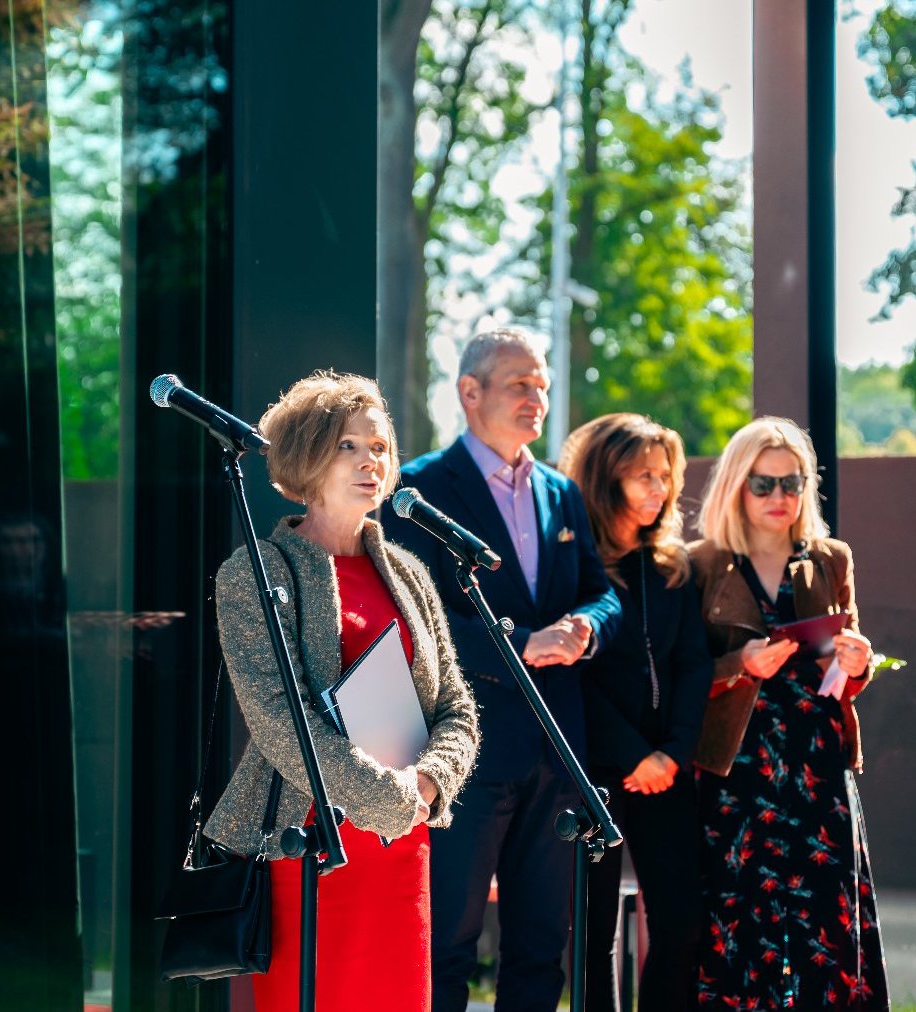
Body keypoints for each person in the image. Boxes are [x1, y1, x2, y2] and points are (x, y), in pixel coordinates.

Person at [206, 370, 479, 1012]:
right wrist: (382, 796)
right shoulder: (254, 571)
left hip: (402, 840)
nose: (370, 462)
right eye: (347, 446)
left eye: (380, 447)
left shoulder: (409, 574)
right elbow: (278, 718)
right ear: (305, 456)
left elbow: (457, 706)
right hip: (312, 842)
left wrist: (430, 782)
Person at [382, 328, 621, 1012]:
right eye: (522, 383)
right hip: (468, 753)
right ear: (470, 392)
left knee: (541, 948)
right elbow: (413, 621)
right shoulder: (419, 491)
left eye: (542, 385)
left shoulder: (560, 492)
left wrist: (586, 628)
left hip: (558, 750)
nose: (537, 399)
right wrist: (517, 644)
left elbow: (602, 593)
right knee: (446, 948)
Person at [688, 416, 889, 1011]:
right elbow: (679, 675)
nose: (780, 497)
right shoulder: (699, 564)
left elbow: (843, 671)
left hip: (816, 764)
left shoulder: (830, 559)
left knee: (825, 922)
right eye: (764, 484)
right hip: (737, 767)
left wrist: (857, 663)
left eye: (792, 483)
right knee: (737, 918)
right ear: (735, 485)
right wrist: (740, 663)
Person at [557, 414, 712, 1012]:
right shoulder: (571, 568)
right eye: (642, 475)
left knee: (681, 924)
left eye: (665, 475)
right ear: (602, 479)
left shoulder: (673, 567)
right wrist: (633, 754)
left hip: (666, 771)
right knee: (593, 933)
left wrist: (672, 751)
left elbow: (693, 665)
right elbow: (574, 678)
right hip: (593, 770)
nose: (660, 488)